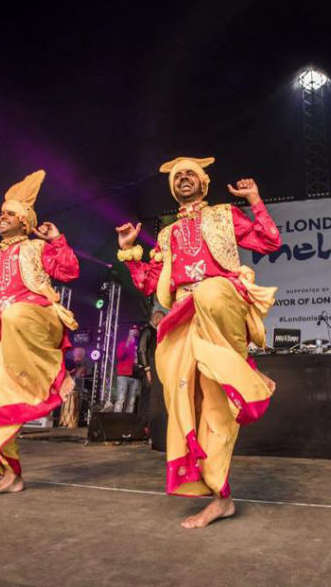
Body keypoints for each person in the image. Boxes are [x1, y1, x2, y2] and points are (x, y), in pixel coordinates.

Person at [115, 156, 281, 528]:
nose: (184, 178)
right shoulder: (167, 234)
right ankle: (221, 496)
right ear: (173, 188)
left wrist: (254, 200)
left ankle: (246, 377)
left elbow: (269, 241)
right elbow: (150, 283)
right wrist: (129, 253)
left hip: (219, 302)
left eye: (191, 173)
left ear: (204, 183)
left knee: (209, 290)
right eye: (178, 176)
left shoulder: (224, 214)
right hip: (185, 318)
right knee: (197, 405)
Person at [0, 170, 79, 497]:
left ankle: (57, 377)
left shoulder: (35, 248)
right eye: (1, 213)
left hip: (36, 319)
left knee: (16, 313)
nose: (2, 218)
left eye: (10, 214)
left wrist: (56, 240)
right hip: (3, 334)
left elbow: (68, 270)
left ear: (25, 222)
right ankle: (10, 474)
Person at [138, 309, 166, 437]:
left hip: (155, 366)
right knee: (146, 398)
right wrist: (147, 368)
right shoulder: (147, 330)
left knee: (152, 398)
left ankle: (149, 426)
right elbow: (142, 350)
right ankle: (142, 426)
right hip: (148, 367)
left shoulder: (156, 332)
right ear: (157, 319)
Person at [114, 325, 142, 413]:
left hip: (136, 375)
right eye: (132, 330)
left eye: (136, 330)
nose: (134, 332)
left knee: (132, 401)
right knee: (121, 399)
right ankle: (116, 420)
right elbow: (119, 356)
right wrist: (127, 343)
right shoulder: (123, 343)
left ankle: (128, 423)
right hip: (124, 374)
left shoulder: (140, 345)